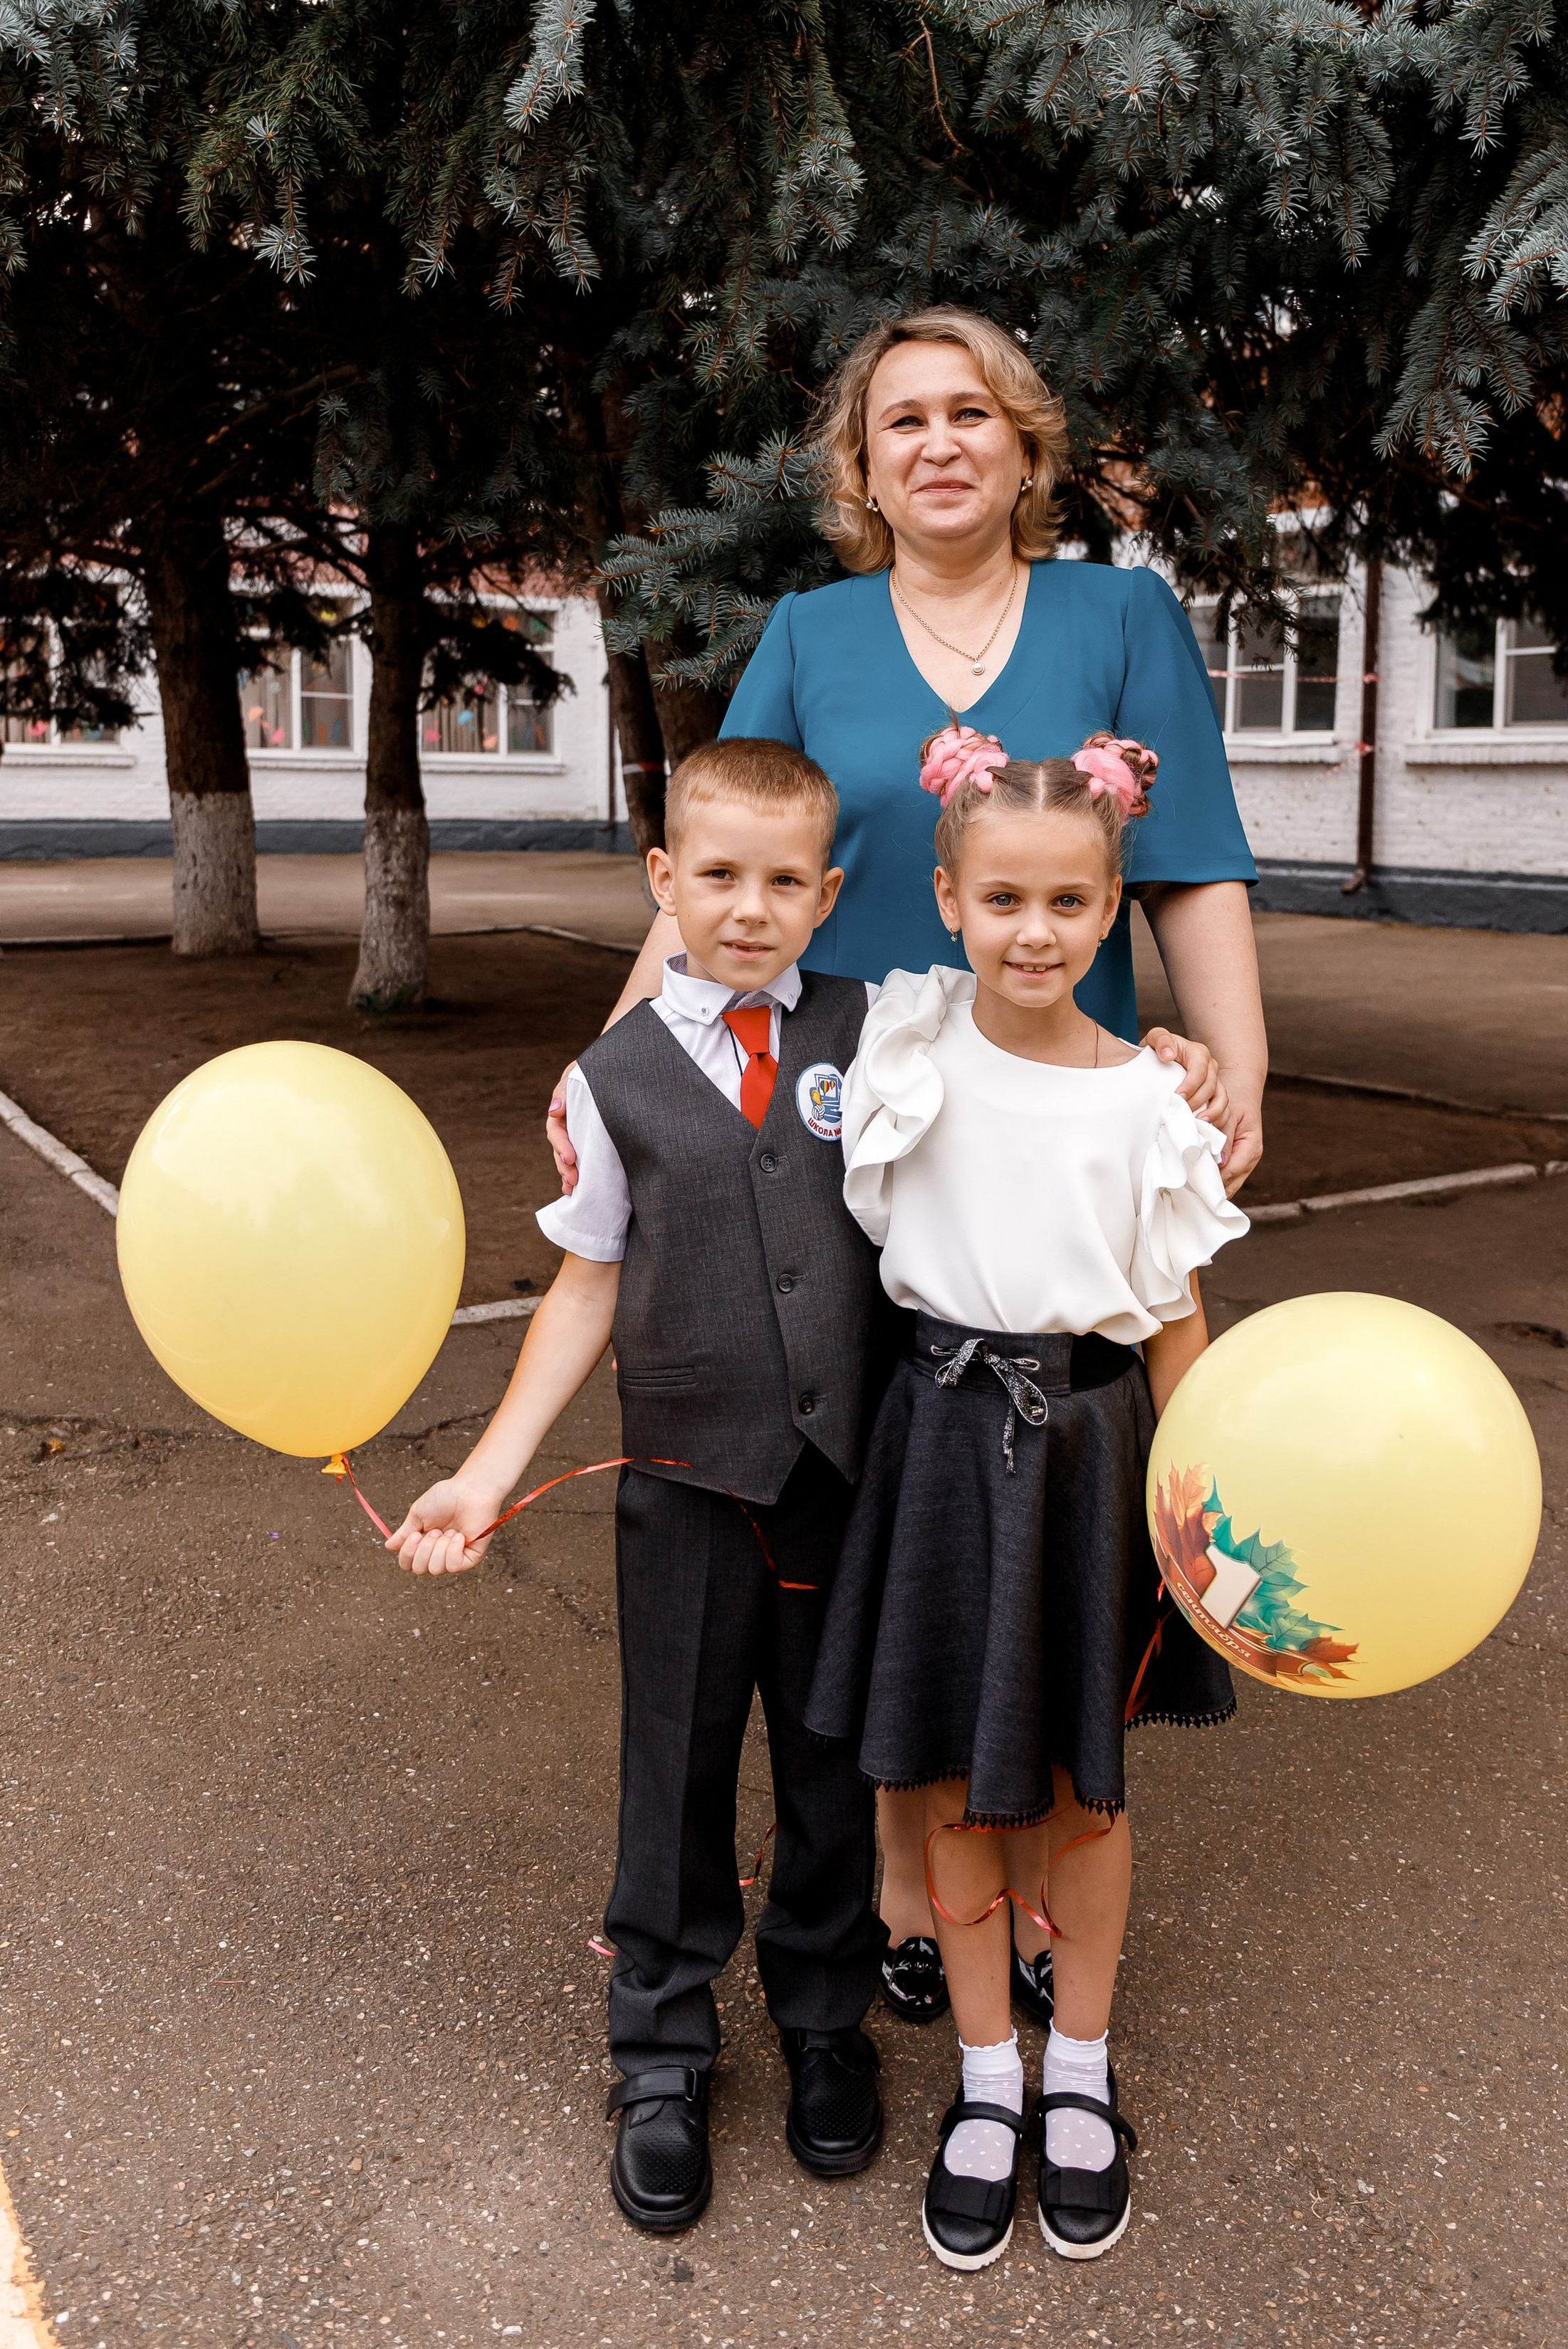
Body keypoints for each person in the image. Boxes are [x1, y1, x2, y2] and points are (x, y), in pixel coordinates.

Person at [548, 304, 1268, 2027]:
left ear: (1023, 444)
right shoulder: (808, 630)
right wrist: (606, 1066)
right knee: (874, 1505)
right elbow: (721, 875)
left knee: (1036, 1507)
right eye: (898, 425)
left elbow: (1192, 867)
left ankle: (1034, 1856)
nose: (934, 444)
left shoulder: (1118, 614)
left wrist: (1235, 1053)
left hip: (1041, 1130)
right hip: (841, 1132)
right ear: (860, 470)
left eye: (968, 414)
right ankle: (895, 1866)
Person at [387, 738, 890, 2237]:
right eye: (716, 874)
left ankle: (821, 2020)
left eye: (783, 880)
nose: (748, 907)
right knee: (669, 1769)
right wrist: (484, 1476)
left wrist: (1167, 1056)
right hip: (680, 1486)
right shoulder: (609, 1082)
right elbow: (582, 1289)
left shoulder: (878, 1033)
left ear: (826, 894)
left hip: (836, 1485)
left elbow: (1026, 1056)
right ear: (663, 880)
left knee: (828, 1768)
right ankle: (661, 2049)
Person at [806, 723, 1250, 2271]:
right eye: (1001, 901)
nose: (1034, 933)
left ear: (1112, 907)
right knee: (942, 1780)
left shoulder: (1148, 1103)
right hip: (936, 1443)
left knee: (1079, 1782)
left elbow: (1178, 1317)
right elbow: (735, 963)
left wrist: (1206, 1525)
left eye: (1070, 903)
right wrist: (590, 1099)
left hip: (1089, 1455)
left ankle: (1079, 2066)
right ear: (946, 900)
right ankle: (985, 2074)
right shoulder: (905, 1049)